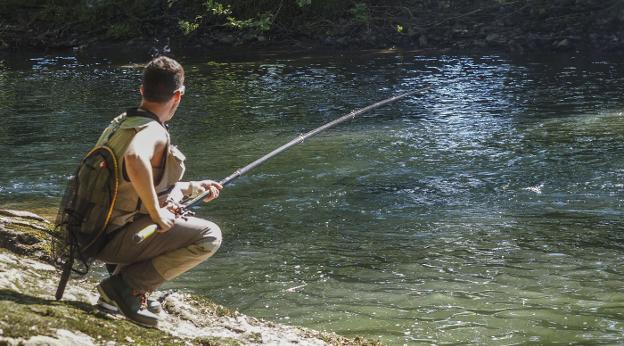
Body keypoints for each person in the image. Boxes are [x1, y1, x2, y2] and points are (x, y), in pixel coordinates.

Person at [92, 56, 223, 328]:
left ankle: (123, 284)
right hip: (111, 241)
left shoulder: (122, 123)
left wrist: (192, 188)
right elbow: (135, 159)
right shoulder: (153, 131)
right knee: (209, 236)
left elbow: (136, 185)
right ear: (178, 95)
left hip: (90, 231)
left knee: (173, 214)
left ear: (142, 90)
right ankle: (127, 286)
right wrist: (157, 214)